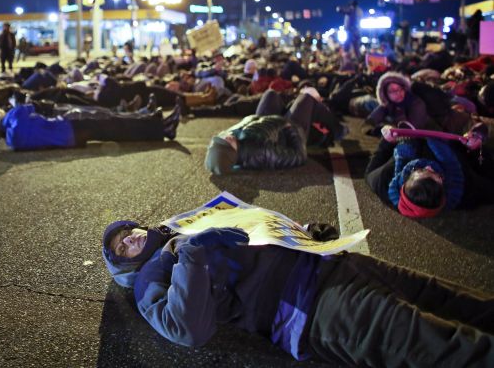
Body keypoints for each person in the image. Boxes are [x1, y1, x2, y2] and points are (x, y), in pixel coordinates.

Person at [102, 221, 494, 365]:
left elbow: (253, 232)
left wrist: (301, 234)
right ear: (124, 264)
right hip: (315, 306)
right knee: (450, 346)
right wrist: (191, 254)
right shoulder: (149, 278)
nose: (131, 239)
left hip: (333, 263)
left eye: (128, 232)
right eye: (122, 246)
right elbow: (186, 328)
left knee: (459, 300)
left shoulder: (182, 227)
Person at [365, 122, 493, 219]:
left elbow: (369, 173)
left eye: (419, 171)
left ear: (404, 183)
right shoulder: (466, 189)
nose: (429, 167)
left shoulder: (383, 182)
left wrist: (386, 141)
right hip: (451, 142)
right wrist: (476, 147)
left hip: (408, 140)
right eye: (437, 175)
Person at [205, 89, 346, 174]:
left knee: (271, 94)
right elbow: (299, 155)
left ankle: (289, 106)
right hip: (286, 131)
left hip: (269, 124)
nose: (225, 137)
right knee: (306, 98)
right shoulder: (262, 154)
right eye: (225, 143)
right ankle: (338, 130)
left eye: (221, 139)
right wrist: (291, 129)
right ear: (231, 154)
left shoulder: (234, 139)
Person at [0, 101, 180, 151]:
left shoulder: (13, 143)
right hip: (68, 126)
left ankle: (158, 124)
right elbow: (33, 106)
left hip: (68, 141)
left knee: (115, 131)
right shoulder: (14, 115)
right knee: (116, 125)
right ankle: (160, 127)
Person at [364, 71, 429, 135]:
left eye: (400, 89)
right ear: (385, 94)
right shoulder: (388, 104)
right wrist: (374, 129)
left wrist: (390, 128)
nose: (398, 93)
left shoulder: (416, 103)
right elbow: (368, 124)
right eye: (393, 91)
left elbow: (411, 132)